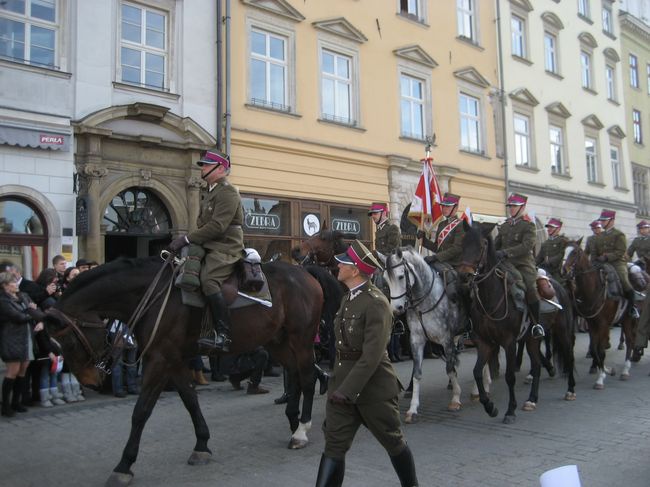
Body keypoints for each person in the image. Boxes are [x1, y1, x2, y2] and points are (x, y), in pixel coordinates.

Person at [315, 240, 418, 487]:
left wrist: (346, 391)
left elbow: (371, 355)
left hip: (373, 390)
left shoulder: (377, 303)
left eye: (344, 262)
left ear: (356, 269)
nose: (338, 265)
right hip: (342, 388)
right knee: (334, 446)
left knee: (393, 441)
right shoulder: (348, 298)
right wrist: (336, 385)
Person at [168, 149, 245, 353]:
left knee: (209, 280)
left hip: (226, 246)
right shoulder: (211, 192)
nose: (202, 168)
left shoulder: (227, 191)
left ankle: (224, 334)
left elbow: (218, 226)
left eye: (207, 164)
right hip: (210, 245)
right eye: (203, 164)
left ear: (220, 168)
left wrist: (185, 239)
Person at [494, 193, 545, 339]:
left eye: (514, 206)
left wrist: (505, 252)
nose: (511, 209)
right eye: (510, 206)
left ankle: (536, 324)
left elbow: (527, 245)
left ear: (522, 207)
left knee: (530, 287)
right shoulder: (504, 226)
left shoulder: (528, 225)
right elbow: (496, 244)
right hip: (504, 264)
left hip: (523, 264)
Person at [0, 272, 41, 417]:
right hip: (11, 340)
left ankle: (16, 403)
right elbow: (19, 317)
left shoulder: (22, 296)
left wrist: (34, 313)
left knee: (23, 370)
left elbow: (36, 310)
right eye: (13, 282)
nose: (17, 284)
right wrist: (31, 311)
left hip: (26, 338)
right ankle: (5, 405)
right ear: (5, 286)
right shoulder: (3, 301)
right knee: (13, 371)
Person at [593, 209, 639, 318]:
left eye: (605, 221)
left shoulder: (619, 234)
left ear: (612, 220)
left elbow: (620, 251)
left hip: (617, 263)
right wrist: (594, 260)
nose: (602, 223)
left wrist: (606, 256)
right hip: (601, 263)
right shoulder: (599, 236)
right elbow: (595, 251)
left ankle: (632, 307)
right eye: (602, 221)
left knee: (624, 281)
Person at [535, 218, 569, 282]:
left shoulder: (563, 241)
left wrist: (550, 261)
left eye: (552, 227)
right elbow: (539, 258)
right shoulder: (545, 243)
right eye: (548, 227)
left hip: (556, 271)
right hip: (544, 269)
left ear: (558, 229)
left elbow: (562, 254)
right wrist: (532, 264)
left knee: (559, 286)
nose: (549, 229)